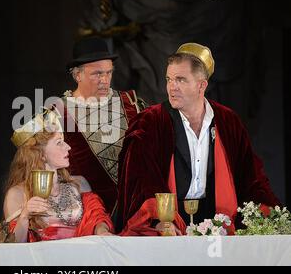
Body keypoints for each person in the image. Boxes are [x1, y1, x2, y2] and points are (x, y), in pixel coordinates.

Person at [116, 43, 280, 236]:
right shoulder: (150, 121)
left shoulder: (227, 121)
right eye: (169, 79)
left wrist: (267, 214)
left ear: (202, 85)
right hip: (170, 223)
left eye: (181, 80)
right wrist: (158, 220)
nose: (172, 87)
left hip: (217, 221)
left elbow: (251, 175)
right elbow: (141, 177)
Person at [53, 37, 148, 217]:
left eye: (108, 73)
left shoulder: (133, 104)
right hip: (87, 216)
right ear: (77, 74)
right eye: (97, 74)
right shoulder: (57, 114)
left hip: (137, 214)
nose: (105, 80)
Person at [3, 108, 113, 242]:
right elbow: (13, 248)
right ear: (41, 154)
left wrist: (102, 231)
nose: (68, 147)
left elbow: (96, 217)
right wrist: (25, 216)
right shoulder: (17, 194)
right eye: (59, 142)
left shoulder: (79, 183)